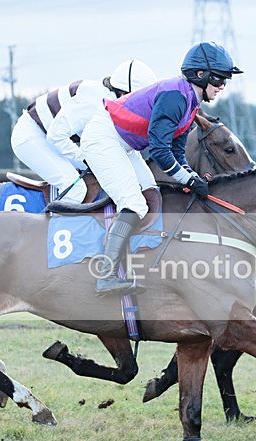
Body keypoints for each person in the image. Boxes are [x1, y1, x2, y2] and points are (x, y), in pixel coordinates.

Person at [82, 41, 243, 296]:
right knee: (134, 204)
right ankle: (107, 276)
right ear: (200, 75)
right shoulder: (175, 97)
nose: (223, 85)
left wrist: (191, 176)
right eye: (220, 78)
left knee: (151, 192)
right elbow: (159, 152)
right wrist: (189, 181)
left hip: (125, 143)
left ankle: (139, 255)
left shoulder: (190, 103)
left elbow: (177, 151)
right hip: (104, 138)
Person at [9, 59, 158, 203]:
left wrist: (149, 185)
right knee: (76, 190)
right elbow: (56, 136)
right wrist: (86, 161)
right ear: (124, 94)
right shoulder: (95, 102)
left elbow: (126, 151)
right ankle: (52, 227)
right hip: (31, 137)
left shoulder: (114, 104)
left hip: (49, 136)